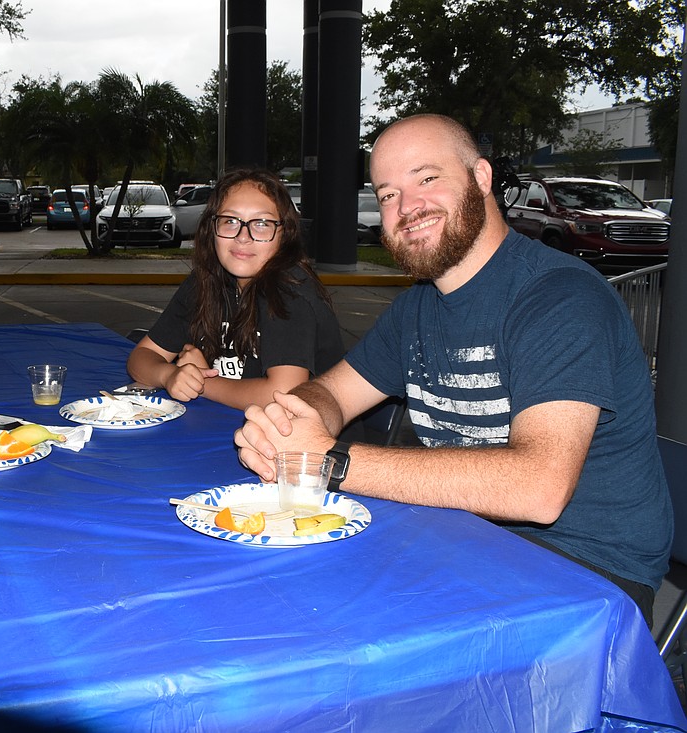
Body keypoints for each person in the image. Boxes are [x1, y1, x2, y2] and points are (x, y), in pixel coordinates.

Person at [234, 114, 671, 627]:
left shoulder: (560, 298)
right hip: (464, 537)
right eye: (389, 193)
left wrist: (328, 461)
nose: (407, 206)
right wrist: (289, 423)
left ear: (481, 178)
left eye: (427, 178)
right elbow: (333, 392)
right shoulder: (417, 308)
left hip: (585, 570)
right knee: (270, 591)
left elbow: (539, 488)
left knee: (340, 628)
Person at [126, 168, 344, 410]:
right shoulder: (206, 282)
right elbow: (141, 357)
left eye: (261, 224)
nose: (243, 236)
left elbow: (282, 394)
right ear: (212, 228)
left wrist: (203, 383)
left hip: (313, 443)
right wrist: (169, 375)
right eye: (230, 221)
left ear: (284, 235)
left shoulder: (287, 289)